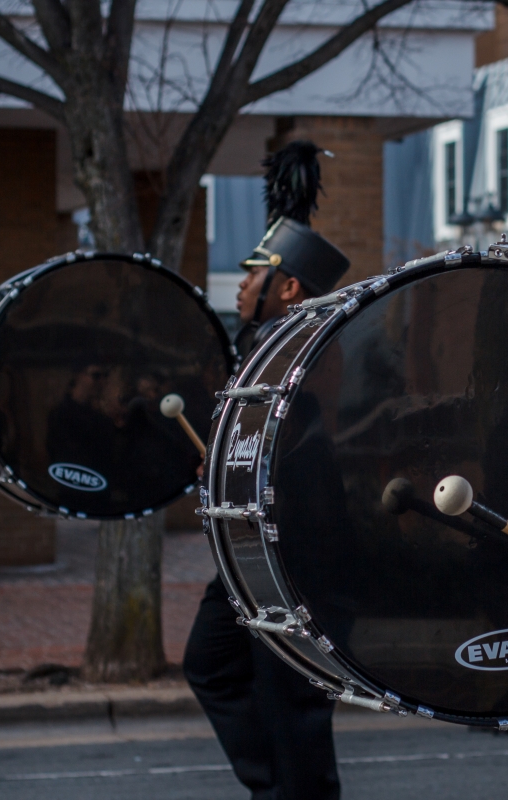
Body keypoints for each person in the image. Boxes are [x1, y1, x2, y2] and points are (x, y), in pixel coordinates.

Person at [183, 140, 350, 800]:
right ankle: (274, 791)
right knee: (212, 663)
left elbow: (316, 446)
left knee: (295, 704)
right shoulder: (261, 346)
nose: (242, 284)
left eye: (254, 273)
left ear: (286, 288)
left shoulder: (315, 347)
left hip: (303, 551)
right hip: (250, 547)